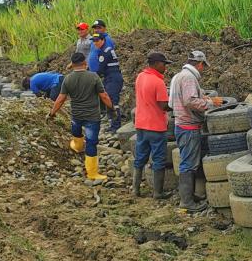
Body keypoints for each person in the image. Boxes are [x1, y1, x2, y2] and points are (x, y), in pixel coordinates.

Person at [168, 50, 223, 212]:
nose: (203, 70)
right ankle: (187, 202)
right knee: (189, 164)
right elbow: (190, 101)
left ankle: (189, 196)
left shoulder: (178, 76)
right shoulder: (189, 78)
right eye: (203, 67)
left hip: (181, 124)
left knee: (189, 162)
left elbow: (173, 102)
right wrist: (211, 103)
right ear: (199, 64)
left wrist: (204, 98)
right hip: (189, 126)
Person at [47, 52, 111, 184]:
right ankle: (92, 173)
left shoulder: (68, 79)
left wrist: (52, 112)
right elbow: (103, 95)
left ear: (73, 64)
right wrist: (112, 108)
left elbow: (61, 99)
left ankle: (77, 146)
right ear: (85, 63)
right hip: (92, 117)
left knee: (76, 132)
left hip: (76, 115)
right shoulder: (93, 77)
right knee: (92, 143)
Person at [132, 52, 173, 198]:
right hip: (156, 127)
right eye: (164, 64)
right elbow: (163, 106)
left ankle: (135, 189)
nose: (165, 67)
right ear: (156, 64)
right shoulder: (158, 82)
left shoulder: (140, 77)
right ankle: (158, 192)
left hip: (141, 124)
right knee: (158, 160)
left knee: (140, 157)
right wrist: (175, 105)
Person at [86, 19, 123, 133]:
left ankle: (116, 125)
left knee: (112, 101)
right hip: (110, 77)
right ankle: (113, 123)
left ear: (103, 40)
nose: (95, 43)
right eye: (94, 41)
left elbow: (101, 69)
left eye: (97, 40)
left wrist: (92, 78)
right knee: (109, 99)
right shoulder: (104, 50)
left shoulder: (105, 51)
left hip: (113, 78)